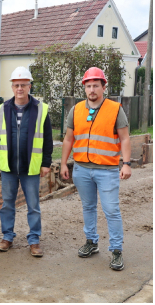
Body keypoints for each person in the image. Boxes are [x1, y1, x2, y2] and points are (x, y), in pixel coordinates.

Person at [59, 67, 132, 271]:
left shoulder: (115, 109)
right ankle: (91, 242)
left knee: (111, 210)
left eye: (96, 86)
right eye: (88, 86)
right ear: (84, 88)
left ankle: (116, 251)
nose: (92, 90)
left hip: (107, 170)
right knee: (88, 207)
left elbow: (125, 138)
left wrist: (126, 164)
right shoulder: (76, 110)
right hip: (81, 169)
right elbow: (68, 139)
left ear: (103, 87)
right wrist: (64, 163)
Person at [0, 66, 52, 257]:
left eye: (23, 85)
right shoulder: (3, 109)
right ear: (12, 86)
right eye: (16, 85)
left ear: (29, 86)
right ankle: (7, 237)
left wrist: (46, 163)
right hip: (8, 166)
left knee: (33, 205)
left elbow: (48, 139)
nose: (20, 89)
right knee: (8, 204)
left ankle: (34, 240)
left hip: (31, 167)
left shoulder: (41, 109)